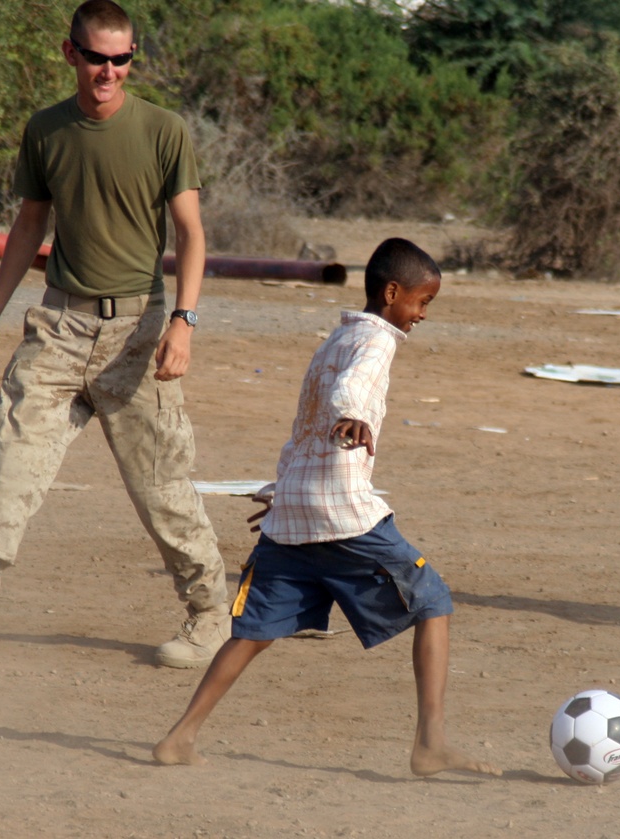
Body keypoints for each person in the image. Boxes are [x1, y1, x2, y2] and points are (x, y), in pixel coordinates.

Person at [0, 0, 229, 671]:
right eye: (95, 57)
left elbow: (192, 235)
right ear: (69, 53)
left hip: (138, 332)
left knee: (161, 486)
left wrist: (183, 323)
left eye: (122, 58)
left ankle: (208, 615)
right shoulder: (47, 129)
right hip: (59, 325)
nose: (108, 70)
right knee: (8, 470)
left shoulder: (163, 131)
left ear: (132, 59)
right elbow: (29, 226)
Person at [153, 238, 503, 778]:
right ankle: (430, 742)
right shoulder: (378, 342)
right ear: (392, 293)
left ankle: (180, 735)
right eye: (422, 302)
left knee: (251, 633)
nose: (423, 314)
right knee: (433, 602)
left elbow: (304, 428)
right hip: (342, 516)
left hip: (293, 514)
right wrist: (354, 415)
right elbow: (350, 392)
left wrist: (282, 491)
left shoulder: (335, 337)